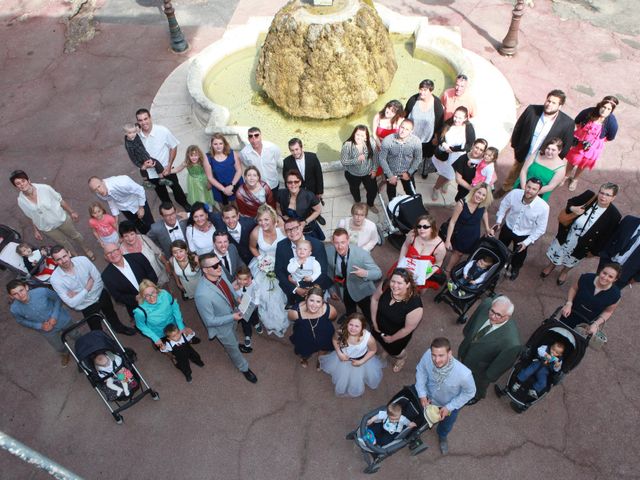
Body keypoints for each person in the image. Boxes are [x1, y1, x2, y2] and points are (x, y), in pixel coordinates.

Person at [497, 89, 574, 197]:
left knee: (533, 182)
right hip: (524, 152)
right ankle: (506, 187)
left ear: (560, 106)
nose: (549, 104)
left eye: (554, 103)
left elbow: (566, 146)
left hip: (542, 160)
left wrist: (551, 161)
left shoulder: (567, 123)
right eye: (548, 100)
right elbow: (518, 127)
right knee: (515, 172)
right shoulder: (532, 110)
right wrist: (516, 146)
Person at [194, 252, 258, 383]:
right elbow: (209, 321)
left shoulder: (218, 272)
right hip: (222, 327)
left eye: (219, 263)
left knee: (234, 338)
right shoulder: (202, 295)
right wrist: (232, 317)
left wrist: (237, 298)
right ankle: (244, 367)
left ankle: (235, 343)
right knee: (232, 348)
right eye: (215, 265)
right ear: (205, 270)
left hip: (233, 313)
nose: (219, 267)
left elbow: (229, 287)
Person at [541, 183, 621, 285]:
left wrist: (594, 252)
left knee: (573, 258)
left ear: (613, 197)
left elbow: (606, 236)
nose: (603, 196)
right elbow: (570, 202)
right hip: (568, 234)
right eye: (601, 192)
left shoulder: (614, 215)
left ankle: (564, 272)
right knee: (558, 251)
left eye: (607, 195)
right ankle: (551, 265)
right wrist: (573, 209)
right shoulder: (589, 196)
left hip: (584, 243)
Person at [49, 246, 136, 335]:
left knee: (111, 313)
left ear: (69, 253)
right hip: (86, 306)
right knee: (95, 327)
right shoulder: (55, 279)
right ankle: (102, 341)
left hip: (100, 295)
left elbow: (99, 280)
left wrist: (79, 294)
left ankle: (118, 328)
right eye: (59, 259)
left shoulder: (83, 260)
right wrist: (87, 288)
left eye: (64, 256)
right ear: (55, 261)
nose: (64, 261)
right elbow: (71, 303)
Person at [11, 170, 95, 260]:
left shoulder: (44, 188)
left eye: (23, 181)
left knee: (75, 236)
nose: (22, 185)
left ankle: (86, 249)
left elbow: (60, 200)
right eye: (18, 183)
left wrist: (72, 212)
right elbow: (31, 216)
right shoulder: (21, 201)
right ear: (16, 187)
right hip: (46, 228)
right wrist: (35, 230)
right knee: (63, 243)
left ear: (29, 180)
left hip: (61, 219)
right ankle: (76, 257)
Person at [415, 337, 476, 455]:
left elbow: (470, 392)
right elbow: (421, 370)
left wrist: (449, 407)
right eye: (434, 355)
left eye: (441, 355)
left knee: (447, 424)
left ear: (449, 353)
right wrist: (422, 394)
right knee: (417, 413)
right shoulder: (428, 354)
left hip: (447, 404)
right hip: (427, 396)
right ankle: (417, 428)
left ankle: (442, 436)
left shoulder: (464, 374)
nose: (436, 360)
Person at [457, 296, 522, 404]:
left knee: (477, 384)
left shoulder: (512, 343)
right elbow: (472, 323)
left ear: (508, 317)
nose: (493, 316)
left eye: (499, 315)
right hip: (466, 352)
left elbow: (498, 368)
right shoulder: (486, 304)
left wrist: (487, 377)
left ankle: (476, 396)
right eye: (492, 311)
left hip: (480, 370)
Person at [7, 279, 77, 366]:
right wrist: (39, 326)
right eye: (15, 294)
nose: (20, 295)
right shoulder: (14, 309)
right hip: (46, 331)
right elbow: (21, 321)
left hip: (62, 319)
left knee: (75, 335)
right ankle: (65, 353)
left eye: (21, 290)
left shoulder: (42, 291)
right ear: (11, 296)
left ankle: (84, 347)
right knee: (58, 346)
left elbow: (57, 299)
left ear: (26, 287)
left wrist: (54, 316)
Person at [135, 108, 191, 211]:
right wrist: (143, 166)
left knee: (176, 189)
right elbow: (135, 154)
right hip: (151, 173)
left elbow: (173, 146)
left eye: (145, 119)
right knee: (162, 193)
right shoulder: (136, 136)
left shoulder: (162, 130)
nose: (143, 122)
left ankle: (184, 204)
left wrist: (169, 165)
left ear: (150, 118)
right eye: (140, 120)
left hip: (166, 169)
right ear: (137, 121)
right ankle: (169, 210)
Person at [494, 178, 549, 281]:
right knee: (500, 247)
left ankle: (515, 268)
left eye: (534, 189)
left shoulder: (543, 207)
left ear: (538, 191)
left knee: (519, 255)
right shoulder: (515, 193)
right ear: (525, 186)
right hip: (508, 227)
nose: (529, 190)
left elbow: (541, 228)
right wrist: (499, 221)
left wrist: (526, 242)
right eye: (528, 187)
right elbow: (503, 205)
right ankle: (496, 263)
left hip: (524, 234)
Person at [248, 204, 290, 337]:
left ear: (273, 218)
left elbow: (291, 243)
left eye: (266, 220)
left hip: (282, 263)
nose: (263, 223)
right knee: (268, 296)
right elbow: (252, 247)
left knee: (283, 291)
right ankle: (271, 320)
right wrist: (261, 259)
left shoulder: (282, 229)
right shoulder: (256, 232)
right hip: (264, 265)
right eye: (260, 220)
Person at [319, 312, 384, 397]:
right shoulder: (341, 331)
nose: (353, 328)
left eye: (357, 326)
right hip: (343, 357)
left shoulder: (369, 339)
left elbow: (373, 350)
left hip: (360, 360)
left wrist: (361, 361)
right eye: (351, 324)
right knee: (341, 373)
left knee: (356, 377)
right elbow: (334, 340)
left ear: (363, 327)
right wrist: (339, 353)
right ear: (347, 323)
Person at [371, 268, 423, 373]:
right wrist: (374, 322)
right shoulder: (386, 285)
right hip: (379, 326)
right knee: (382, 342)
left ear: (408, 284)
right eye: (393, 281)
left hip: (397, 335)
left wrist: (392, 339)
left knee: (395, 352)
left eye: (399, 283)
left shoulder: (415, 306)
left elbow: (407, 329)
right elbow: (374, 299)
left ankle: (402, 358)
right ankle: (386, 349)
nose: (394, 286)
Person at [325, 228, 382, 323]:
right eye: (336, 243)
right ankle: (350, 318)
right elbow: (329, 271)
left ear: (348, 240)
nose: (339, 247)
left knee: (368, 311)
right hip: (343, 289)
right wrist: (331, 289)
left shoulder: (362, 254)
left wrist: (365, 273)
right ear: (332, 241)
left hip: (361, 290)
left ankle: (372, 325)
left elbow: (378, 273)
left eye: (343, 242)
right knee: (349, 307)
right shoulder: (328, 251)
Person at [565, 95, 619, 192]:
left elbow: (611, 137)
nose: (604, 110)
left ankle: (575, 179)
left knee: (583, 163)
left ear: (611, 110)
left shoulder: (612, 122)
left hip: (593, 146)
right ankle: (566, 176)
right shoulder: (589, 111)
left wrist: (595, 141)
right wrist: (581, 133)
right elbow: (577, 121)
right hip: (579, 140)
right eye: (603, 107)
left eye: (608, 109)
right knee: (572, 160)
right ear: (600, 105)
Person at [274, 217, 332, 306]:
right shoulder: (281, 246)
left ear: (301, 227)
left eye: (295, 228)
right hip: (292, 287)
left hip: (315, 285)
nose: (292, 232)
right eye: (288, 230)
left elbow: (323, 271)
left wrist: (311, 289)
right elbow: (279, 271)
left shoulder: (317, 244)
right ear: (285, 233)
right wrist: (296, 289)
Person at [444, 183, 493, 274]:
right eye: (479, 193)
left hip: (474, 234)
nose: (480, 197)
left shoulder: (483, 204)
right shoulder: (461, 203)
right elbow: (452, 222)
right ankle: (448, 270)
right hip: (461, 233)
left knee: (465, 254)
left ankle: (454, 268)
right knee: (458, 253)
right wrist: (448, 240)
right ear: (474, 191)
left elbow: (485, 213)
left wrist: (487, 228)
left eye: (483, 195)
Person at [560, 263, 621, 334]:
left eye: (610, 276)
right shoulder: (586, 278)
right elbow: (573, 289)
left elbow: (608, 312)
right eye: (604, 273)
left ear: (615, 279)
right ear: (600, 271)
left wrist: (596, 324)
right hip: (570, 312)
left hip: (587, 322)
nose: (605, 277)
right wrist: (569, 303)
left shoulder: (615, 295)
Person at [431, 106, 476, 201]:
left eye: (460, 118)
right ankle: (436, 188)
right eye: (455, 116)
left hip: (457, 156)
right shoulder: (449, 122)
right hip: (444, 153)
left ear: (465, 118)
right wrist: (443, 143)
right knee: (444, 174)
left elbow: (470, 144)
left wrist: (454, 149)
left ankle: (442, 184)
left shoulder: (469, 128)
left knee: (450, 174)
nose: (456, 119)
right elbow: (440, 135)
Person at [101, 243, 157, 317]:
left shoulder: (138, 257)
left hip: (155, 297)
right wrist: (135, 298)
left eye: (115, 250)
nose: (113, 254)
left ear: (120, 250)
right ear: (106, 257)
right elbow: (118, 297)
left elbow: (152, 274)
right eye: (109, 253)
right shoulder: (106, 276)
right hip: (137, 308)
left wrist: (149, 291)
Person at [288, 285, 337, 369]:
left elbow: (333, 318)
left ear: (323, 302)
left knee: (324, 348)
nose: (314, 305)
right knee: (304, 351)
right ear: (306, 298)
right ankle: (304, 359)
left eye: (318, 301)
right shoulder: (295, 312)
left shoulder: (330, 310)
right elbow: (291, 318)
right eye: (311, 300)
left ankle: (320, 360)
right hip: (304, 335)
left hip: (324, 334)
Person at [404, 79, 445, 178]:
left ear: (431, 91)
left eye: (425, 90)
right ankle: (410, 170)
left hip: (428, 138)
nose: (422, 92)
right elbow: (405, 115)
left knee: (426, 156)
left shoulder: (437, 104)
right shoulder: (413, 100)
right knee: (412, 155)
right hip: (412, 136)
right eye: (421, 89)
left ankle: (424, 170)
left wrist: (436, 137)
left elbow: (440, 123)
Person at [88, 175, 154, 235]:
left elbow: (140, 190)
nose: (99, 191)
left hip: (137, 202)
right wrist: (116, 218)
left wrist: (141, 207)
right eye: (95, 190)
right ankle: (148, 237)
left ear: (102, 182)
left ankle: (157, 236)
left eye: (99, 186)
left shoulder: (122, 182)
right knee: (138, 225)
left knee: (149, 222)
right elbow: (111, 200)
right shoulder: (99, 194)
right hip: (124, 208)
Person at [396, 214, 446, 290]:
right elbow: (405, 246)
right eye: (419, 226)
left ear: (432, 228)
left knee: (418, 291)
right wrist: (400, 264)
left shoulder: (440, 247)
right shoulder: (412, 235)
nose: (421, 229)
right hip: (407, 265)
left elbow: (438, 263)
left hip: (424, 272)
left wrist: (425, 277)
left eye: (425, 227)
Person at [133, 279, 187, 348]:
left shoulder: (164, 294)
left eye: (153, 292)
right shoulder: (140, 312)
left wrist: (180, 325)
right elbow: (141, 325)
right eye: (147, 295)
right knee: (172, 349)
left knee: (184, 342)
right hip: (160, 334)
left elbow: (174, 306)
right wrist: (155, 338)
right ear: (142, 296)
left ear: (156, 290)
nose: (151, 297)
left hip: (175, 326)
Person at [378, 119, 423, 200]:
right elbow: (382, 158)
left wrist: (409, 173)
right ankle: (393, 208)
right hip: (391, 171)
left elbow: (418, 158)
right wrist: (390, 175)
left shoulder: (416, 142)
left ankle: (411, 206)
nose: (403, 131)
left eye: (407, 129)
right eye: (402, 127)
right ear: (399, 127)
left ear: (411, 131)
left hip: (407, 171)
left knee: (411, 193)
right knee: (391, 193)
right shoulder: (388, 140)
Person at [340, 125, 379, 213]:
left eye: (362, 135)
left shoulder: (371, 142)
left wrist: (374, 169)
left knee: (373, 190)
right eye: (357, 134)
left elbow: (376, 156)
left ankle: (370, 204)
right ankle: (357, 202)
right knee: (355, 189)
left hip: (368, 172)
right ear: (354, 134)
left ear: (366, 137)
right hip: (353, 174)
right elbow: (343, 161)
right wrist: (356, 160)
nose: (359, 137)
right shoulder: (347, 145)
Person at [514, 137, 566, 202]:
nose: (549, 152)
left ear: (559, 151)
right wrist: (524, 188)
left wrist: (532, 192)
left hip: (540, 193)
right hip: (523, 185)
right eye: (548, 148)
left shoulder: (561, 168)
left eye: (553, 150)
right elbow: (524, 171)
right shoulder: (536, 154)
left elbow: (551, 186)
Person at [277, 170, 324, 241]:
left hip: (307, 228)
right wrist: (286, 219)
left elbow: (318, 210)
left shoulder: (309, 195)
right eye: (290, 182)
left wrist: (305, 222)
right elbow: (278, 208)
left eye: (296, 181)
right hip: (291, 228)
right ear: (286, 184)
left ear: (300, 182)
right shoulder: (281, 194)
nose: (293, 184)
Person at [118, 221, 170, 286]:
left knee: (166, 286)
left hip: (159, 272)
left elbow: (158, 252)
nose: (130, 238)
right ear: (122, 237)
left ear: (135, 233)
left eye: (132, 234)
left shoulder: (143, 238)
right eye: (126, 236)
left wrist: (166, 264)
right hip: (145, 281)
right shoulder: (122, 250)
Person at [599, 215, 640, 289]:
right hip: (607, 262)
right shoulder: (629, 220)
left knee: (607, 296)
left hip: (625, 274)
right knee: (594, 285)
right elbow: (612, 236)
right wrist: (604, 256)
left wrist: (636, 278)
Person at [239, 126, 281, 196]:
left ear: (261, 136)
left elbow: (276, 158)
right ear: (248, 139)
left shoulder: (272, 148)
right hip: (259, 186)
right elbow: (247, 164)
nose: (254, 139)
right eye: (251, 136)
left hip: (273, 183)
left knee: (274, 203)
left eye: (256, 135)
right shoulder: (244, 153)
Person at [282, 138, 324, 207]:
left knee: (314, 208)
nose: (295, 153)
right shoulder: (287, 162)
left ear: (301, 147)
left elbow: (319, 175)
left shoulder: (312, 157)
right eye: (292, 150)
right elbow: (286, 179)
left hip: (312, 190)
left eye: (296, 149)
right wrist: (291, 194)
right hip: (298, 192)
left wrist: (320, 192)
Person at [171, 145, 216, 209]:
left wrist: (209, 182)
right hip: (192, 182)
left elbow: (209, 171)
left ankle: (208, 206)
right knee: (195, 195)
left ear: (199, 155)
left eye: (196, 155)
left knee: (205, 193)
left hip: (203, 180)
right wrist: (168, 171)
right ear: (188, 156)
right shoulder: (186, 163)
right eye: (191, 155)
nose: (194, 157)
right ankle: (197, 207)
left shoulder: (202, 162)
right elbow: (177, 169)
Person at [122, 122, 167, 188]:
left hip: (144, 154)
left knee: (147, 167)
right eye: (130, 133)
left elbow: (137, 127)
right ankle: (161, 179)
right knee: (153, 164)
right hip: (140, 158)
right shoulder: (129, 145)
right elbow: (132, 157)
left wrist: (137, 127)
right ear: (125, 133)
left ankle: (149, 181)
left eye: (134, 132)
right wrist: (140, 165)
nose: (132, 134)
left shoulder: (135, 135)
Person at [206, 133, 244, 205]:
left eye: (220, 143)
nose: (218, 146)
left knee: (239, 208)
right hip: (219, 189)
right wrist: (224, 189)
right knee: (225, 211)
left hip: (235, 185)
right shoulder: (208, 157)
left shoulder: (232, 153)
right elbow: (210, 177)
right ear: (211, 145)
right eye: (215, 144)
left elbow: (239, 170)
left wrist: (232, 186)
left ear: (224, 144)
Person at [233, 265, 263, 351]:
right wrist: (237, 296)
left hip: (253, 304)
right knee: (245, 321)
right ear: (236, 278)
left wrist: (256, 303)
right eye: (239, 279)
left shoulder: (254, 284)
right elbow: (234, 294)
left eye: (245, 279)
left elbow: (257, 293)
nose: (242, 282)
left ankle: (256, 323)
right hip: (242, 306)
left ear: (249, 278)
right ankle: (247, 335)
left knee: (254, 316)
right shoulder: (236, 285)